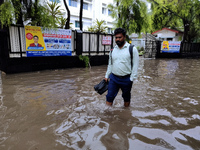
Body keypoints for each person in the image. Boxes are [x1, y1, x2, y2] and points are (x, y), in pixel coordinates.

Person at [105, 28, 139, 107]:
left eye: (120, 37)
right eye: (116, 37)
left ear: (124, 37)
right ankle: (107, 116)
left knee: (126, 98)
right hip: (114, 78)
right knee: (109, 96)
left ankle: (126, 114)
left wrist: (131, 79)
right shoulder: (113, 50)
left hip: (126, 78)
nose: (117, 39)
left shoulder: (132, 49)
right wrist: (107, 75)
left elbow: (135, 65)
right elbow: (110, 64)